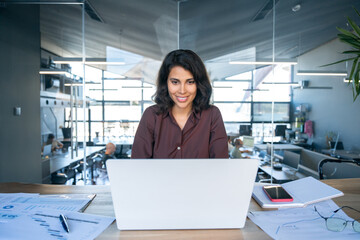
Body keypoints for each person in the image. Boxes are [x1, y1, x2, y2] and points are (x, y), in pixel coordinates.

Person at [131, 49, 228, 158]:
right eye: (175, 82)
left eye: (190, 82)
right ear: (165, 82)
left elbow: (221, 165)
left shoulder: (212, 115)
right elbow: (137, 165)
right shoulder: (152, 115)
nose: (182, 91)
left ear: (199, 84)